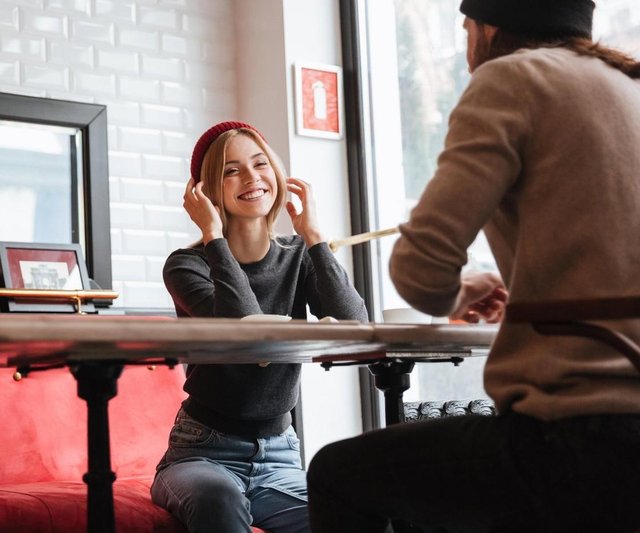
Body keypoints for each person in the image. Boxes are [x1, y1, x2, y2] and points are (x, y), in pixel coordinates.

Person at [308, 1, 640, 531]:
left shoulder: (512, 78)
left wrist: (459, 292)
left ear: (488, 27)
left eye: (465, 27)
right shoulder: (627, 84)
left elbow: (420, 270)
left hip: (576, 435)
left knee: (336, 474)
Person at [150, 120, 368, 533]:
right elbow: (246, 333)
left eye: (260, 163)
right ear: (207, 191)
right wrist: (213, 236)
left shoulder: (297, 255)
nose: (251, 178)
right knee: (219, 498)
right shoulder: (186, 265)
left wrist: (315, 238)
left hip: (281, 455)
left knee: (351, 515)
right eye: (231, 170)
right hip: (202, 453)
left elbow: (355, 328)